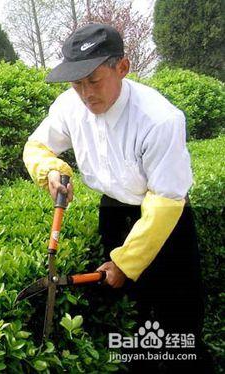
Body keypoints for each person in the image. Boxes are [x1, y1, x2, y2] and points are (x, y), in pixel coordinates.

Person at [22, 23, 214, 373]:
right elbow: (36, 145)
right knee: (130, 317)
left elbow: (166, 202)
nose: (84, 93)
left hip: (164, 219)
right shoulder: (69, 105)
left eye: (93, 80)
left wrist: (126, 262)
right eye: (76, 83)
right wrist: (49, 168)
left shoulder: (159, 119)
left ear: (122, 68)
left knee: (179, 323)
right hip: (113, 210)